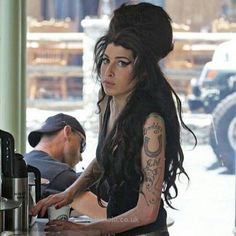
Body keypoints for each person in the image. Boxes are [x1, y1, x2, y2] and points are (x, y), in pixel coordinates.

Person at [31, 3, 197, 235]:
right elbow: (105, 156)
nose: (108, 72)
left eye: (122, 62)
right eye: (106, 60)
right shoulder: (109, 100)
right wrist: (69, 192)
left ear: (142, 65)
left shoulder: (151, 123)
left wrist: (91, 229)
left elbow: (147, 211)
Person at [25, 113, 106, 219]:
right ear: (67, 132)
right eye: (82, 145)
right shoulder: (60, 174)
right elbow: (110, 216)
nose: (80, 158)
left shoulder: (25, 161)